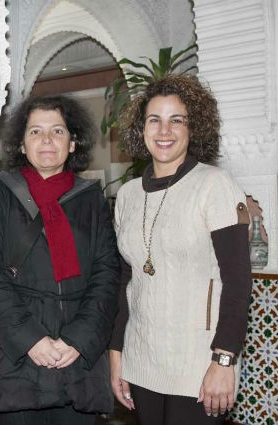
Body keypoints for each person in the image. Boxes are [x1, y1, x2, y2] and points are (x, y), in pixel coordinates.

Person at [109, 75, 252, 425]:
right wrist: (117, 353)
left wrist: (223, 361)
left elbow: (238, 282)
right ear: (140, 129)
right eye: (154, 119)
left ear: (194, 128)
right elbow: (126, 280)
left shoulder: (214, 185)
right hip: (142, 356)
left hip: (198, 361)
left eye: (177, 120)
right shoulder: (127, 195)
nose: (164, 130)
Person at [0, 94, 120, 424]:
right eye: (35, 132)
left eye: (58, 131)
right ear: (22, 145)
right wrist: (31, 340)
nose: (47, 140)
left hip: (77, 361)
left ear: (73, 142)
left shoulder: (92, 200)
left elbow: (107, 275)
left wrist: (78, 340)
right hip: (17, 362)